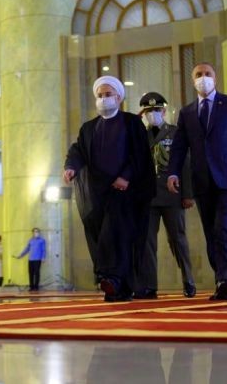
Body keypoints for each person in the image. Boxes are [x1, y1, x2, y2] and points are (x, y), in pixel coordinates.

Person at [64, 75, 155, 301]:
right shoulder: (88, 128)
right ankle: (116, 286)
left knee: (115, 235)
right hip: (98, 193)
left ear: (119, 98)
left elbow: (140, 154)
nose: (104, 99)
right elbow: (78, 150)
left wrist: (126, 176)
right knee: (101, 235)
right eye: (100, 96)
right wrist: (70, 167)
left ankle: (111, 278)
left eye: (108, 95)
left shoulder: (132, 123)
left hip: (125, 191)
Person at [168, 62, 227, 300]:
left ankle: (225, 280)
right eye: (198, 75)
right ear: (192, 79)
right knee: (210, 232)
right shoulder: (186, 112)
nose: (203, 78)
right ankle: (221, 279)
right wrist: (173, 172)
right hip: (202, 179)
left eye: (207, 74)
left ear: (215, 78)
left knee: (223, 228)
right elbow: (179, 147)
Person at [134, 92, 197, 299]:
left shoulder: (175, 132)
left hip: (172, 194)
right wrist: (135, 121)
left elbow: (186, 164)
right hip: (146, 197)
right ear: (143, 113)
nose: (153, 114)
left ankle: (188, 280)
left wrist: (188, 194)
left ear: (164, 110)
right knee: (146, 242)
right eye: (148, 111)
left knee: (177, 239)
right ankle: (149, 286)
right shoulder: (139, 134)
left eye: (156, 110)